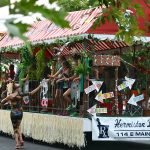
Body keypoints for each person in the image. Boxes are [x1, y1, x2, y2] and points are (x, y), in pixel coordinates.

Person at [0, 79, 42, 149]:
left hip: (13, 113)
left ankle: (17, 144)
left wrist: (6, 97)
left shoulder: (9, 96)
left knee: (15, 129)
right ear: (16, 88)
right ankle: (21, 140)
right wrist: (39, 86)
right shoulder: (19, 94)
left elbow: (2, 102)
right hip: (20, 112)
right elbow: (31, 93)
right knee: (18, 126)